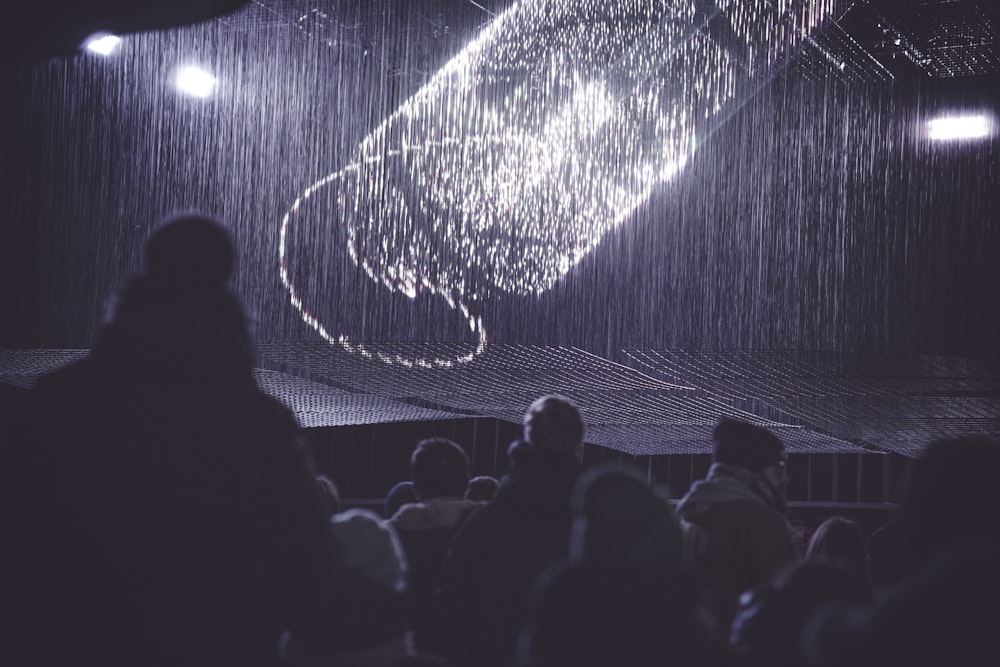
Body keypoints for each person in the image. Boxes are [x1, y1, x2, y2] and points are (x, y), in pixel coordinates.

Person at [4, 214, 338, 667]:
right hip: (215, 646)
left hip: (73, 641)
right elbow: (306, 561)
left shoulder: (57, 400)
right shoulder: (259, 422)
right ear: (225, 277)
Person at [432, 394, 586, 667]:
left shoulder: (484, 524)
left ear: (528, 438)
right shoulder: (597, 522)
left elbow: (452, 610)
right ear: (577, 444)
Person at [675, 417, 797, 629]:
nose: (786, 479)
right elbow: (786, 610)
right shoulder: (762, 523)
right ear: (751, 472)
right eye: (779, 468)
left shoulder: (688, 520)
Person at [387, 438, 483, 652]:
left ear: (415, 488)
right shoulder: (489, 527)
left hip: (408, 650)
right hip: (472, 649)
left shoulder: (386, 537)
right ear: (467, 483)